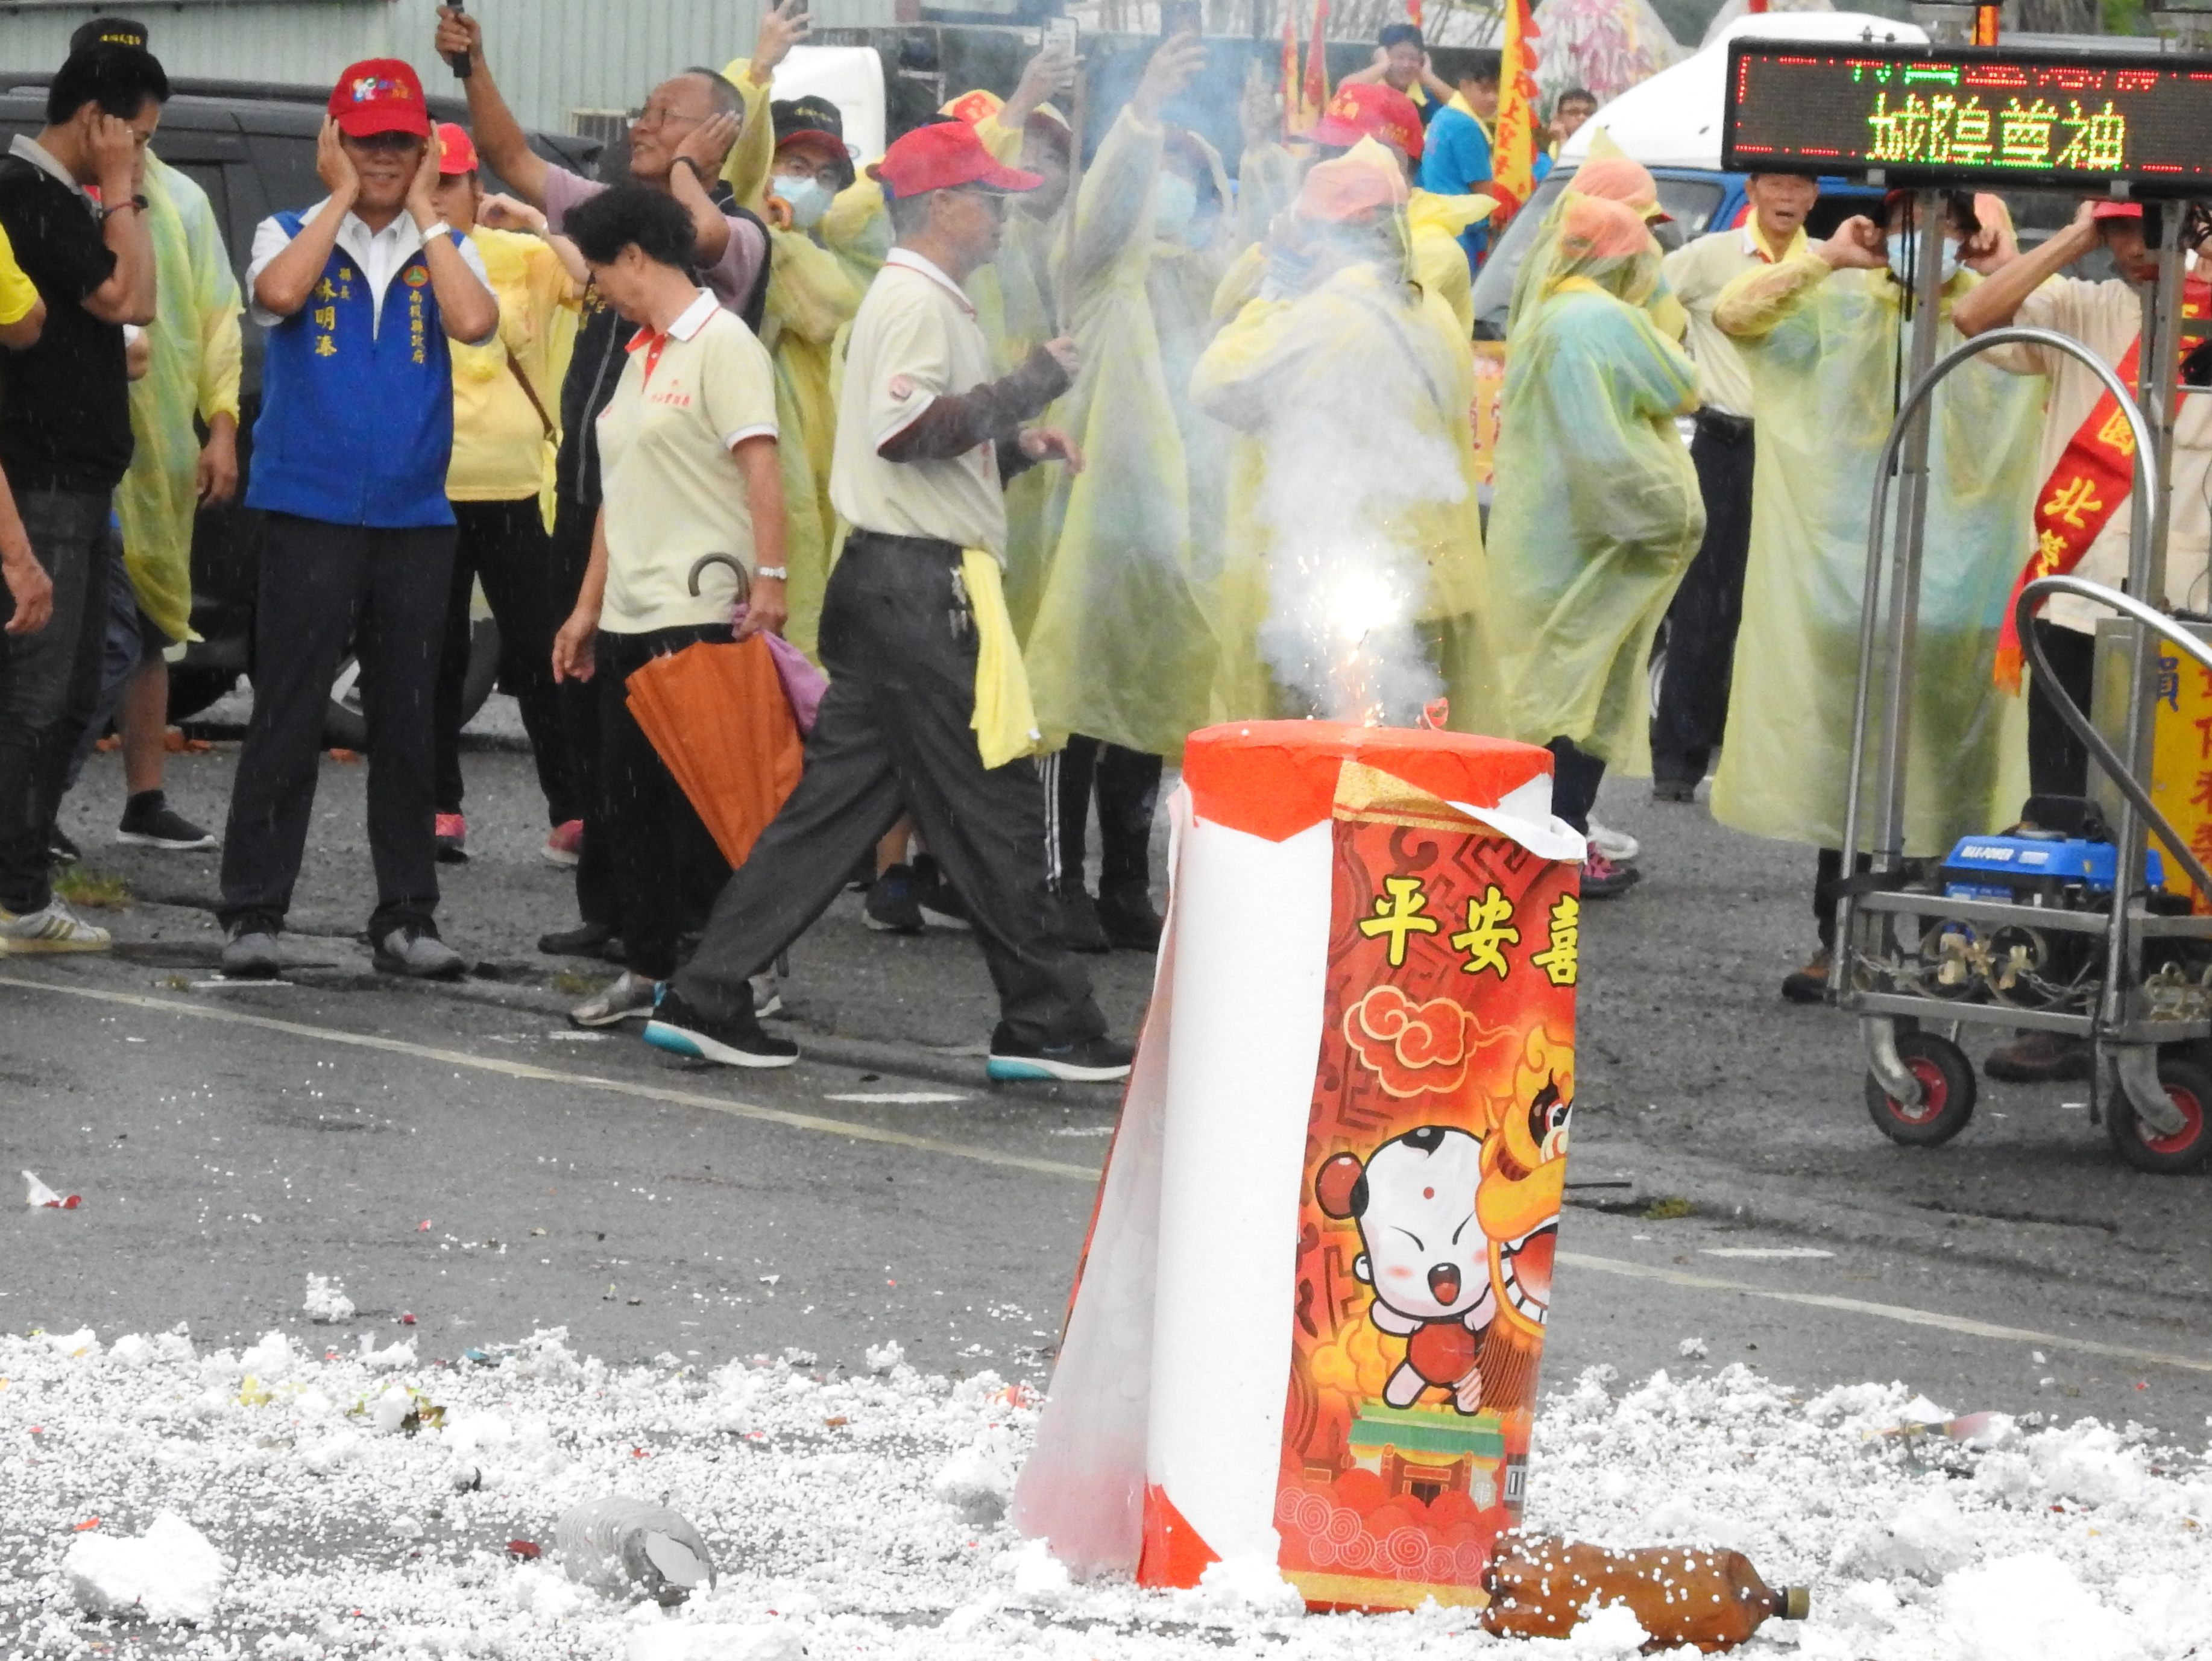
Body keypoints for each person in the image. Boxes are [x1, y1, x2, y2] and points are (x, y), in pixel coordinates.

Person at [642, 118, 1132, 1084]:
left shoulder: (919, 297)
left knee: (832, 812)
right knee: (993, 805)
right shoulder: (917, 300)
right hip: (923, 592)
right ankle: (1046, 1018)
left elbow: (920, 449)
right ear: (942, 206)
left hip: (892, 582)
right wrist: (1032, 384)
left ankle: (707, 990)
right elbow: (907, 431)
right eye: (988, 201)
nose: (1002, 217)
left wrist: (1012, 448)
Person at [435, 1, 775, 960]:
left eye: (665, 116)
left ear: (715, 137)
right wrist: (474, 67)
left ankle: (689, 928)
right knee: (597, 719)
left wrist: (692, 173)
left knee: (680, 740)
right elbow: (509, 159)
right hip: (589, 498)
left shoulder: (732, 233)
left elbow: (701, 239)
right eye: (644, 111)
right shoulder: (615, 214)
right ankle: (614, 906)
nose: (640, 125)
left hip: (682, 535)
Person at [1709, 192, 2042, 1002]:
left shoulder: (1999, 317)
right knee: (1849, 774)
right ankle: (1842, 941)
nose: (1923, 242)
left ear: (1976, 235)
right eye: (1904, 223)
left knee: (1947, 771)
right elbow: (1733, 315)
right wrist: (1826, 256)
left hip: (1957, 593)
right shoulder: (1840, 302)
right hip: (1848, 583)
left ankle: (1939, 946)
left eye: (1946, 227)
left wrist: (2003, 268)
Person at [215, 59, 500, 980]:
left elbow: (473, 325)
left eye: (401, 142)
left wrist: (428, 217)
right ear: (335, 140)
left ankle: (407, 915)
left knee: (411, 720)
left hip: (416, 516)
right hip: (308, 508)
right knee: (288, 712)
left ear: (423, 150)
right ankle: (254, 910)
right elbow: (281, 297)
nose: (384, 156)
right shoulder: (287, 229)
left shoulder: (449, 244)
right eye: (367, 139)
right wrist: (339, 200)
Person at [1952, 197, 2212, 1081]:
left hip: (2186, 614)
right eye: (2127, 233)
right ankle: (2061, 1010)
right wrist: (2077, 235)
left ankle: (2179, 1007)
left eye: (2155, 231)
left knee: (2182, 818)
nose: (2141, 252)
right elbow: (1973, 316)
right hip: (2072, 602)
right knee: (2065, 807)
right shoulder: (2090, 307)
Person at [548, 186, 787, 1029]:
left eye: (602, 270)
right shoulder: (639, 349)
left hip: (699, 605)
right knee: (631, 805)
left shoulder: (723, 343)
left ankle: (735, 970)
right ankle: (650, 967)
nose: (599, 287)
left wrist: (771, 578)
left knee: (708, 807)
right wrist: (585, 608)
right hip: (628, 612)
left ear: (637, 257)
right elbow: (622, 487)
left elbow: (761, 467)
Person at [1021, 32, 1231, 954]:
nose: (1173, 188)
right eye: (1162, 170)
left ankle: (1125, 883)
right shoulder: (1100, 270)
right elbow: (1106, 209)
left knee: (1147, 700)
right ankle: (1058, 883)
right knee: (1074, 700)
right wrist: (1143, 114)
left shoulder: (1194, 282)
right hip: (1087, 519)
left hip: (1167, 532)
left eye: (1192, 170)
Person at [1193, 140, 1487, 736]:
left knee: (1333, 778)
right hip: (1427, 583)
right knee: (1409, 779)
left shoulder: (1326, 315)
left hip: (1344, 585)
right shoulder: (1428, 310)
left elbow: (1215, 383)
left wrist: (1275, 292)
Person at [45, 18, 239, 859]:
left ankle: (144, 794)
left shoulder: (182, 200)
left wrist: (221, 423)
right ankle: (32, 801)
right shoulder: (53, 197)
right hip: (66, 452)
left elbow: (217, 316)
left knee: (151, 623)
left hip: (155, 449)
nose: (137, 140)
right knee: (79, 636)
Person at [1484, 194, 1704, 897]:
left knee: (1548, 690)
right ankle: (1564, 844)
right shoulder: (1604, 319)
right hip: (1603, 538)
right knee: (1586, 697)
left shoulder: (1545, 314)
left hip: (1550, 537)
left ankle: (1540, 842)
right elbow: (1683, 385)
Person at [0, 39, 162, 952]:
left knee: (64, 685)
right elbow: (131, 297)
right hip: (42, 480)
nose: (141, 153)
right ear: (97, 121)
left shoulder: (61, 201)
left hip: (75, 478)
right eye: (136, 135)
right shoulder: (27, 196)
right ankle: (16, 895)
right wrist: (121, 184)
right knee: (38, 693)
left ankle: (20, 883)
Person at [423, 121, 582, 866]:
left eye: (451, 181)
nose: (439, 195)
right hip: (425, 486)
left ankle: (573, 808)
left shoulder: (521, 257)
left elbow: (593, 282)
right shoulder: (399, 261)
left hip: (518, 487)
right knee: (436, 652)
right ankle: (436, 804)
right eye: (430, 181)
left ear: (475, 187)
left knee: (544, 649)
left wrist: (536, 221)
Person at [1649, 172, 1817, 801]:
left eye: (1798, 186)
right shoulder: (1707, 257)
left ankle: (1777, 769)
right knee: (1705, 607)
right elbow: (1650, 319)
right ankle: (1678, 764)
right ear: (1752, 187)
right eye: (1775, 182)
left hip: (1798, 455)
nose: (1787, 196)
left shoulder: (1826, 263)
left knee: (1788, 608)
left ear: (1814, 197)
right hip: (1724, 446)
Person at [1417, 55, 1546, 274]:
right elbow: (1485, 194)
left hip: (1436, 227)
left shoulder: (1445, 116)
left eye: (1498, 90)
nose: (1493, 98)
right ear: (1464, 85)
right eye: (1485, 90)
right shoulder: (1465, 126)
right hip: (1462, 234)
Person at [1343, 23, 1460, 126]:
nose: (1406, 65)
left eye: (1413, 58)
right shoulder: (1368, 89)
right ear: (1383, 55)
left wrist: (1428, 77)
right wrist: (1382, 66)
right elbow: (1342, 92)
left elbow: (1467, 113)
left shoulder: (1427, 97)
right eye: (1400, 57)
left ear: (1422, 59)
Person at [1549, 88, 1597, 152]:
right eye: (1574, 112)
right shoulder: (1545, 147)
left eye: (1588, 113)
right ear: (1559, 117)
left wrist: (1563, 140)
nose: (1582, 117)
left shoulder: (1603, 143)